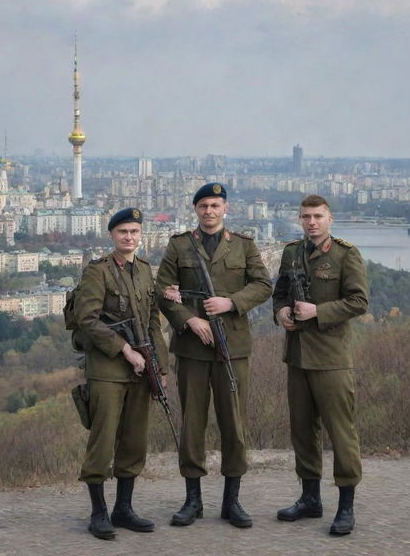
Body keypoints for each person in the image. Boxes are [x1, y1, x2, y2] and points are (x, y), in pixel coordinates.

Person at [156, 182, 272, 528]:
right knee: (192, 423)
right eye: (203, 205)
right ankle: (193, 501)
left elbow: (263, 285)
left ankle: (232, 501)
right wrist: (189, 319)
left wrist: (230, 303)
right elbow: (162, 291)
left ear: (225, 209)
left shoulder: (245, 246)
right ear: (196, 210)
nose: (209, 211)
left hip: (232, 348)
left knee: (233, 425)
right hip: (192, 349)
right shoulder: (179, 245)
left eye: (215, 205)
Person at [272, 194, 368, 536]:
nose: (311, 222)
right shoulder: (291, 253)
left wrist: (319, 312)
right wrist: (281, 312)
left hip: (331, 359)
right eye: (306, 217)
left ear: (330, 219)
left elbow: (359, 301)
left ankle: (346, 506)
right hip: (298, 355)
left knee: (341, 433)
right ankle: (310, 498)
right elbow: (280, 293)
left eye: (317, 216)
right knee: (302, 430)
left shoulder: (345, 254)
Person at [74, 207, 169, 540]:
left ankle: (123, 509)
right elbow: (88, 320)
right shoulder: (97, 272)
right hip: (108, 370)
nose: (129, 237)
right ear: (112, 235)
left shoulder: (143, 270)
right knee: (103, 440)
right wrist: (124, 349)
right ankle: (98, 512)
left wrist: (161, 366)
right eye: (122, 232)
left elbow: (152, 321)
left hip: (142, 370)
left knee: (134, 440)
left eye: (134, 232)